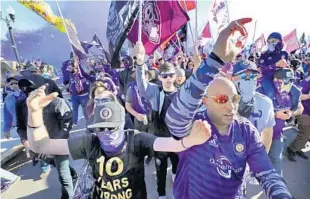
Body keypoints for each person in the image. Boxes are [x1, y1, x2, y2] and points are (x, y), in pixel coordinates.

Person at [161, 18, 292, 198]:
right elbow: (175, 119)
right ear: (205, 101)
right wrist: (215, 60)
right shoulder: (195, 123)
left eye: (234, 99)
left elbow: (267, 173)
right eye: (222, 99)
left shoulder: (246, 130)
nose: (231, 106)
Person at [25, 85, 211, 199]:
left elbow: (172, 145)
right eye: (100, 128)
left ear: (122, 124)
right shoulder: (90, 142)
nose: (106, 133)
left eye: (111, 128)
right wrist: (34, 113)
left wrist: (190, 139)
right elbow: (41, 145)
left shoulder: (136, 140)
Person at [18, 78, 78, 199]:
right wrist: (25, 140)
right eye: (27, 92)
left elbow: (67, 125)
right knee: (58, 166)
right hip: (39, 147)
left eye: (33, 91)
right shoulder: (23, 105)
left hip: (58, 145)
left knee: (63, 176)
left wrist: (52, 144)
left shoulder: (58, 102)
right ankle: (73, 174)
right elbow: (21, 127)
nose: (30, 94)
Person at [136, 59, 179, 199]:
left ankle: (177, 191)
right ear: (159, 77)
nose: (168, 79)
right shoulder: (155, 91)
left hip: (176, 140)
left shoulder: (181, 93)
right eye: (165, 76)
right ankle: (161, 195)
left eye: (171, 75)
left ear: (175, 76)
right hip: (160, 140)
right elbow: (142, 87)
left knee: (177, 169)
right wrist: (140, 65)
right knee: (160, 171)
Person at [258, 68, 303, 175]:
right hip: (260, 134)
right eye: (286, 81)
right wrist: (274, 114)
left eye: (291, 81)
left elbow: (300, 109)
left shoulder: (293, 91)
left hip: (277, 134)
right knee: (258, 159)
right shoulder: (263, 90)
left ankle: (278, 185)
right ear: (276, 79)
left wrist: (291, 113)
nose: (289, 84)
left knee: (277, 159)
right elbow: (252, 111)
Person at [231, 60, 275, 152]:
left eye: (252, 76)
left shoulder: (266, 103)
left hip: (251, 152)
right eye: (243, 75)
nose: (248, 79)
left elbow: (267, 133)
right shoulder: (225, 101)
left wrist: (263, 157)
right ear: (233, 78)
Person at [287, 69, 310, 161]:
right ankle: (292, 149)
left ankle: (298, 147)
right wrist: (309, 96)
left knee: (307, 134)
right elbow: (297, 95)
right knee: (305, 133)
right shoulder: (308, 81)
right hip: (304, 111)